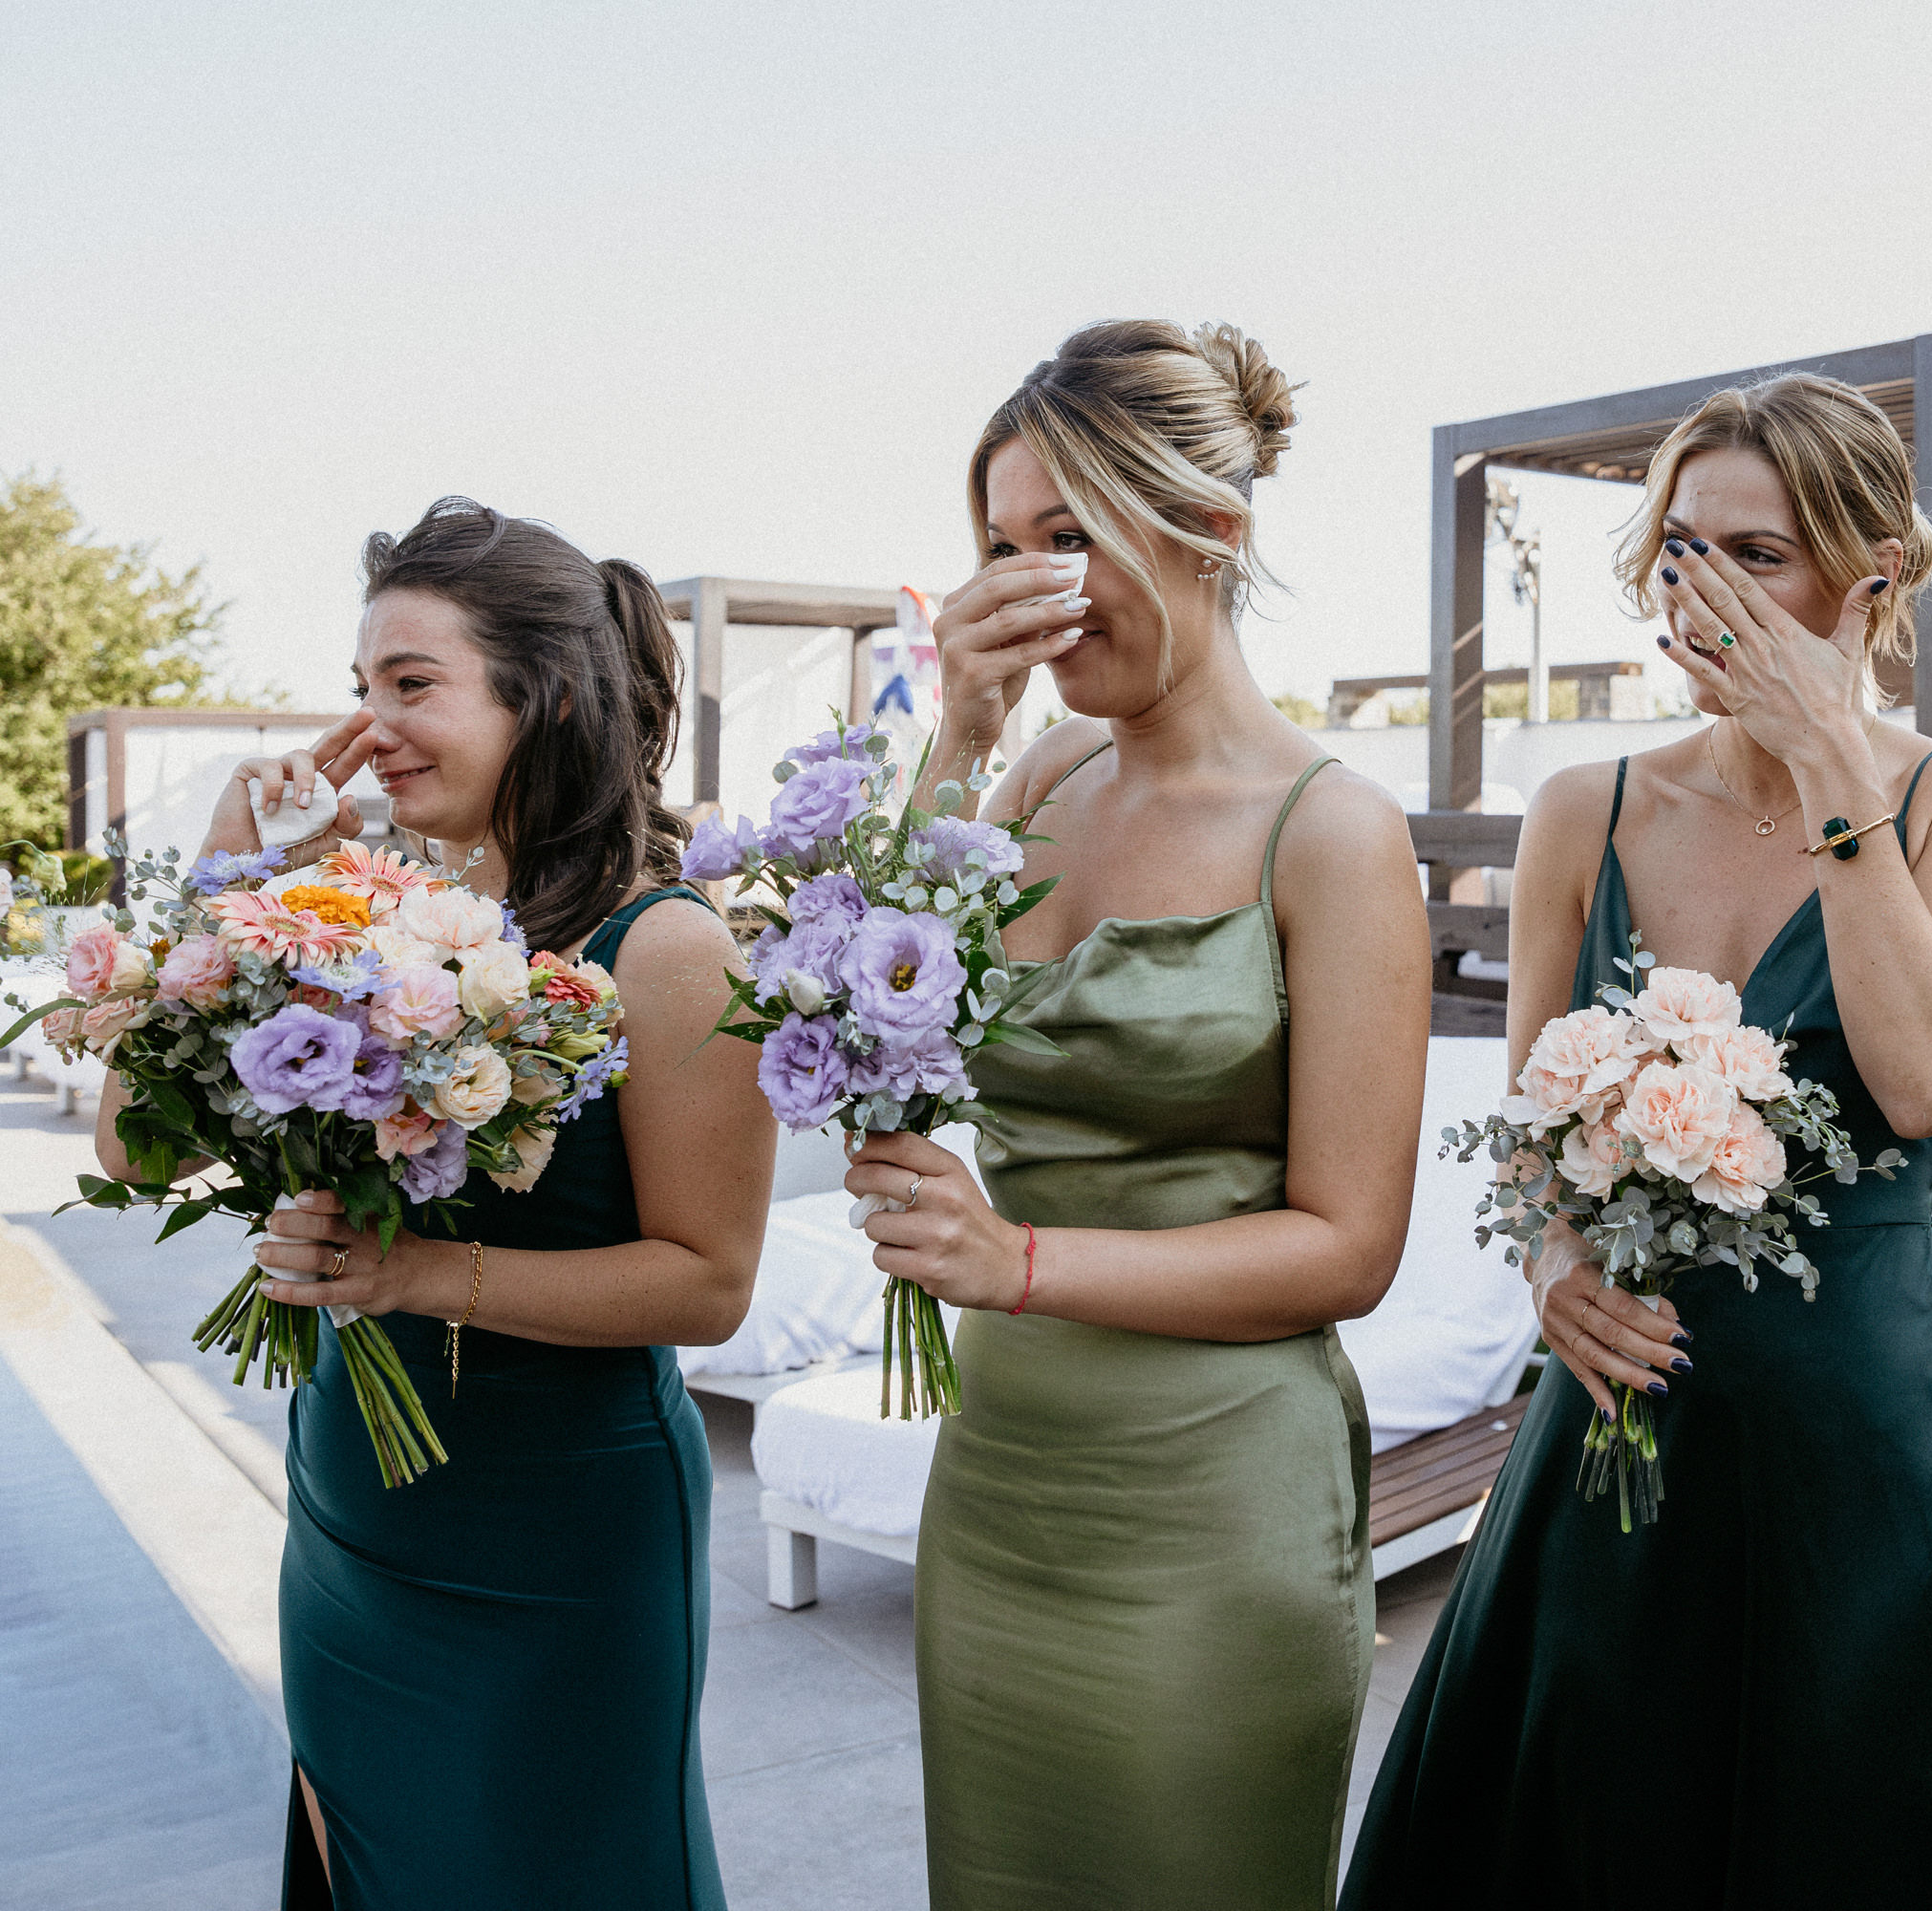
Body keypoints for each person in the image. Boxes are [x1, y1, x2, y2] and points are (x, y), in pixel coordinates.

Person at [1342, 374, 1932, 1906]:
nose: (1700, 592)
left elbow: (1929, 1081)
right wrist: (1554, 1265)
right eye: (1680, 550)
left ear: (1872, 579)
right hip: (1615, 1425)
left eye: (1756, 556)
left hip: (1860, 1433)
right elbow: (1532, 1124)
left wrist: (1835, 764)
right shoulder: (1583, 809)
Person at [97, 498, 774, 1909]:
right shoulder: (357, 915)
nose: (372, 725)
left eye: (413, 684)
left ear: (549, 696)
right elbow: (131, 1155)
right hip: (352, 1515)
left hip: (557, 1538)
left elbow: (709, 1283)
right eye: (363, 686)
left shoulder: (669, 949)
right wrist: (232, 882)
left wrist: (411, 1276)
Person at [835, 321, 1431, 1909]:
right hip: (999, 1486)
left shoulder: (1333, 833)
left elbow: (1349, 1248)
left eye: (1073, 536)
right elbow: (873, 1026)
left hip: (1212, 1512)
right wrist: (959, 736)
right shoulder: (1035, 786)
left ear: (1211, 533)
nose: (1033, 585)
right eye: (1002, 547)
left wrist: (1016, 1261)